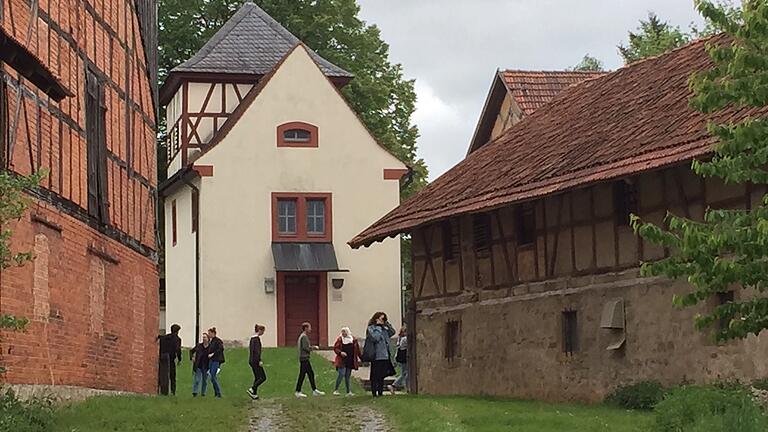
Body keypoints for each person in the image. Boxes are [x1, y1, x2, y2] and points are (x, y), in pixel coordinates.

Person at [366, 312, 396, 397]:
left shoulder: (385, 329)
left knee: (382, 375)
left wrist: (387, 324)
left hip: (385, 355)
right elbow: (376, 337)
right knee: (375, 375)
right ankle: (374, 392)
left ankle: (380, 392)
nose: (383, 321)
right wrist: (378, 327)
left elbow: (392, 332)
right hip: (376, 355)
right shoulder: (371, 328)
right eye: (382, 319)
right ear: (376, 319)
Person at [295, 322, 325, 398]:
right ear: (306, 328)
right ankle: (298, 391)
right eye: (309, 327)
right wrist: (313, 348)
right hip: (304, 358)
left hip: (304, 358)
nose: (310, 329)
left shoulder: (302, 336)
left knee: (310, 374)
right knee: (302, 375)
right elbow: (305, 347)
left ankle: (314, 390)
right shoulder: (304, 337)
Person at [332, 327, 361, 396]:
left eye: (344, 332)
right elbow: (335, 348)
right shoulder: (340, 339)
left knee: (347, 376)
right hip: (341, 360)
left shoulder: (353, 340)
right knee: (341, 374)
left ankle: (348, 391)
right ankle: (336, 389)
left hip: (350, 360)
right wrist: (340, 352)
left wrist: (361, 357)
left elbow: (357, 349)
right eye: (342, 332)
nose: (343, 333)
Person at [158, 324, 182, 396]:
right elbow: (178, 349)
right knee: (172, 376)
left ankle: (161, 390)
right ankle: (172, 391)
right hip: (171, 358)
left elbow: (159, 339)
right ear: (177, 331)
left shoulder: (165, 337)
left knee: (163, 374)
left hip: (163, 357)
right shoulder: (177, 339)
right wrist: (179, 359)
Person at [247, 324, 267, 400]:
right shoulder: (256, 339)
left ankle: (254, 394)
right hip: (256, 361)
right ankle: (252, 389)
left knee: (257, 377)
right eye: (263, 331)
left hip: (251, 360)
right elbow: (257, 351)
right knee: (263, 377)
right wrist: (260, 360)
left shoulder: (252, 339)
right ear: (260, 330)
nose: (263, 333)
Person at [206, 327, 225, 398]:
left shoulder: (218, 341)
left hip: (216, 360)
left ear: (213, 333)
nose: (208, 334)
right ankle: (216, 393)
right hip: (211, 360)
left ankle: (218, 393)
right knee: (212, 377)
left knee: (213, 376)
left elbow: (221, 349)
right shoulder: (211, 341)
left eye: (209, 333)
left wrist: (213, 354)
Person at [389, 325, 408, 394]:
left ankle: (399, 386)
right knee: (405, 374)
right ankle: (394, 385)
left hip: (401, 358)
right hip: (404, 358)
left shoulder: (400, 338)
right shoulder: (404, 339)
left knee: (404, 373)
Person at [190, 333, 210, 397]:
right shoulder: (199, 346)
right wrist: (192, 357)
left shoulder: (210, 347)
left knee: (205, 380)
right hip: (199, 365)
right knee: (197, 380)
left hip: (206, 365)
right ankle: (195, 392)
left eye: (205, 337)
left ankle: (203, 393)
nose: (204, 339)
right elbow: (191, 351)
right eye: (203, 337)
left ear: (208, 339)